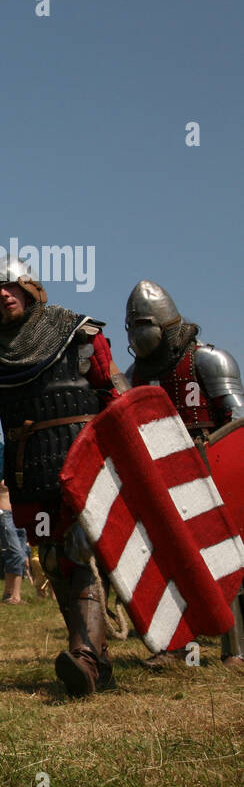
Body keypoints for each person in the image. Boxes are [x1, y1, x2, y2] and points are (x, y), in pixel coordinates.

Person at [0, 256, 126, 698]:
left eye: (11, 287)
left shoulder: (79, 333)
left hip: (88, 466)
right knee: (57, 564)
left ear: (31, 288)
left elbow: (115, 396)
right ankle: (96, 663)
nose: (3, 295)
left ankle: (84, 655)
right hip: (34, 472)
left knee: (79, 553)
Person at [123, 279, 244, 668]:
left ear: (164, 323)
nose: (137, 334)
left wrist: (205, 451)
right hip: (162, 476)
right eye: (131, 326)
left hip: (210, 474)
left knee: (225, 558)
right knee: (170, 563)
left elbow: (238, 422)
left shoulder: (208, 360)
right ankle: (178, 650)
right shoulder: (135, 375)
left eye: (142, 323)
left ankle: (235, 650)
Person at [0, 481, 26, 604]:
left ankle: (11, 594)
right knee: (17, 554)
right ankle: (13, 595)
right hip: (4, 514)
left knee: (20, 554)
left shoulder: (17, 470)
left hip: (20, 514)